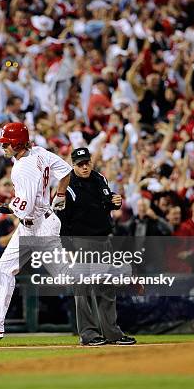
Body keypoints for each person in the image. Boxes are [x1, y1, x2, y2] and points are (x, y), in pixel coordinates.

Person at [0, 122, 72, 339]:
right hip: (33, 225)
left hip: (40, 227)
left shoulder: (22, 168)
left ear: (16, 143)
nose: (3, 146)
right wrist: (60, 194)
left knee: (65, 275)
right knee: (3, 269)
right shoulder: (39, 152)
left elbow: (23, 209)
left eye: (6, 143)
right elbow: (66, 171)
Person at [56, 147, 136, 346]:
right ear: (72, 165)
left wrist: (114, 202)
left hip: (103, 239)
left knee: (106, 288)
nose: (84, 167)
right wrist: (67, 249)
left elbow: (104, 202)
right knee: (82, 290)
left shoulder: (99, 178)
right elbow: (62, 220)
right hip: (80, 241)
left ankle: (112, 334)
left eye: (87, 163)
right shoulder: (67, 184)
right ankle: (88, 334)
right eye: (80, 164)